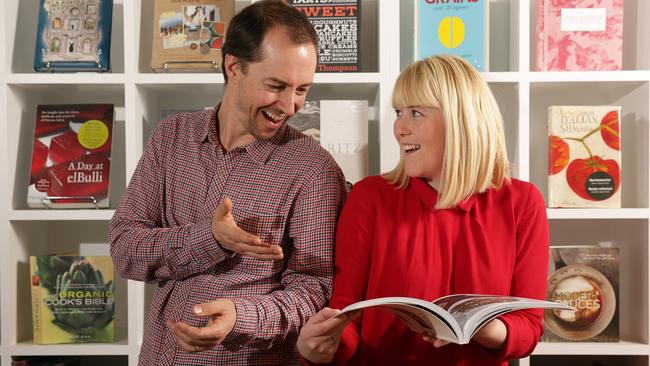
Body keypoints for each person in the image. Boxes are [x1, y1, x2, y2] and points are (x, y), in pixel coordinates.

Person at [109, 1, 347, 365]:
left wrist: (240, 317)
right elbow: (124, 249)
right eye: (277, 86)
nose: (290, 105)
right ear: (234, 67)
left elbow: (313, 291)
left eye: (302, 89)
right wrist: (210, 238)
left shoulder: (314, 169)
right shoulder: (171, 136)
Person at [297, 55, 549, 365]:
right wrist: (320, 350)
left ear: (462, 121)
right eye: (398, 112)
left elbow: (528, 330)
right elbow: (347, 316)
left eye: (416, 113)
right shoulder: (370, 196)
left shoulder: (522, 202)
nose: (399, 128)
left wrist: (477, 325)